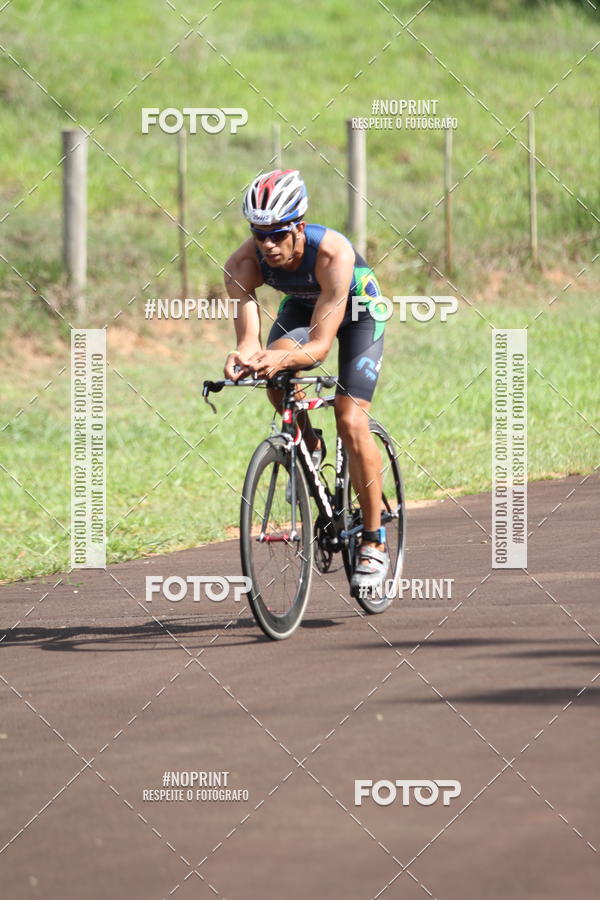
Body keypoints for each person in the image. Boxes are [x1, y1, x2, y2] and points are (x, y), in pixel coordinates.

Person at [223, 168, 388, 594]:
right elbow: (248, 340)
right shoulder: (242, 264)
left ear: (299, 226)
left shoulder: (333, 254)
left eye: (278, 234)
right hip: (301, 305)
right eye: (260, 235)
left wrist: (273, 358)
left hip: (356, 315)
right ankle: (308, 444)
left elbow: (318, 348)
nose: (268, 245)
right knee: (272, 375)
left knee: (351, 421)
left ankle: (374, 541)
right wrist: (244, 358)